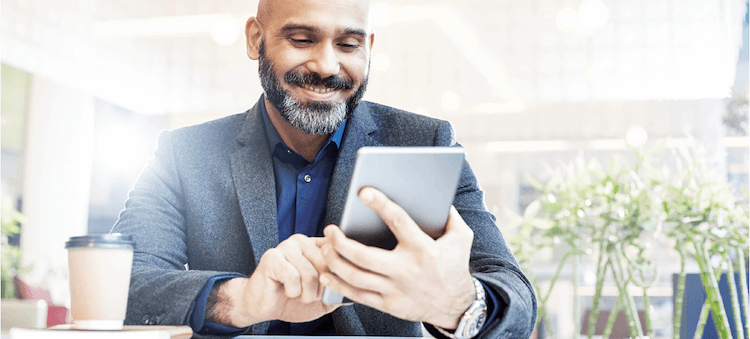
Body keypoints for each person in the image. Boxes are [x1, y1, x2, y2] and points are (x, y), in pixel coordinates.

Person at [111, 0, 537, 337]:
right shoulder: (184, 153)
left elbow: (513, 294)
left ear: (369, 47)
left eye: (348, 45)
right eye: (301, 39)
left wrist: (457, 302)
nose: (327, 66)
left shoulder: (426, 140)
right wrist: (240, 300)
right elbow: (120, 286)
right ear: (255, 38)